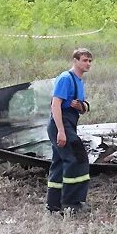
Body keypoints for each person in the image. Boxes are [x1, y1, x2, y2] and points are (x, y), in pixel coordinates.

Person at [45, 48, 93, 215]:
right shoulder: (66, 78)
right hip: (61, 124)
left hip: (69, 124)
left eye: (89, 61)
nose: (88, 64)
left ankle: (54, 205)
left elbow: (81, 107)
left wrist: (82, 106)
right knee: (77, 159)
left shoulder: (78, 81)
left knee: (59, 163)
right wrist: (61, 131)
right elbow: (55, 105)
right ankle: (72, 203)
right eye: (84, 60)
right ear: (75, 61)